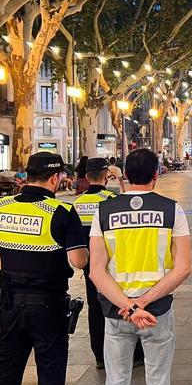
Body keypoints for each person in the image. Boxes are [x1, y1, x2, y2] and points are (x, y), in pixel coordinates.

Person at [0, 152, 87, 385]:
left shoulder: (0, 207)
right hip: (49, 308)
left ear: (27, 175)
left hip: (9, 307)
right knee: (50, 382)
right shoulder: (62, 212)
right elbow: (78, 261)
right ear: (56, 178)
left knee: (6, 379)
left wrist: (9, 244)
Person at [88, 148, 192, 385]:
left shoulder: (104, 211)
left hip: (117, 311)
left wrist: (130, 305)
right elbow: (183, 268)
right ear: (156, 175)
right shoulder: (172, 210)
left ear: (124, 176)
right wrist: (143, 303)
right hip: (156, 311)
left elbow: (96, 271)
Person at [71, 158, 117, 369]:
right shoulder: (112, 200)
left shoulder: (76, 204)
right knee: (118, 305)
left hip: (89, 265)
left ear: (87, 177)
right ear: (107, 175)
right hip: (113, 265)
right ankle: (124, 353)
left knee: (95, 307)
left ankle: (99, 354)